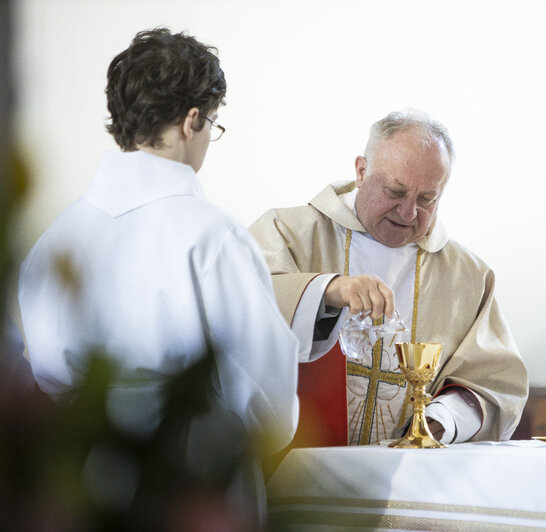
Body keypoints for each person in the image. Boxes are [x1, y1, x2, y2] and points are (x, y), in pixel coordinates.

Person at [18, 28, 336, 527]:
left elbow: (42, 385)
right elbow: (266, 400)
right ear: (192, 120)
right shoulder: (213, 237)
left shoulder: (52, 243)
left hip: (82, 491)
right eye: (214, 124)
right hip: (193, 491)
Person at [249, 109, 529, 446]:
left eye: (427, 199)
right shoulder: (287, 233)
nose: (409, 211)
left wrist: (441, 421)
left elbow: (496, 382)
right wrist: (326, 291)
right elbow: (238, 310)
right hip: (293, 464)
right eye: (395, 192)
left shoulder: (467, 277)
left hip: (407, 478)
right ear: (361, 171)